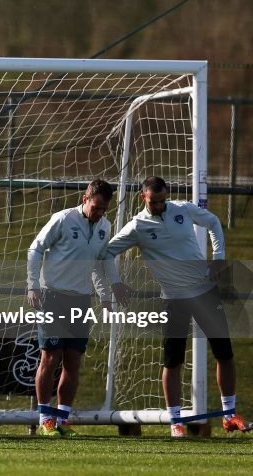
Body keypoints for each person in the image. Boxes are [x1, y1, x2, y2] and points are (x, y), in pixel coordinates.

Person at [103, 176, 250, 438]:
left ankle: (229, 416)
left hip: (205, 292)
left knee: (224, 353)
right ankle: (176, 421)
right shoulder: (137, 226)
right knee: (173, 360)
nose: (159, 205)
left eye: (162, 200)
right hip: (173, 299)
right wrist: (115, 283)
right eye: (153, 201)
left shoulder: (182, 209)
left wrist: (217, 258)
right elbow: (106, 252)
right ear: (143, 197)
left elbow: (213, 222)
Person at [27, 179, 131, 437]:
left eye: (103, 210)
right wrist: (32, 286)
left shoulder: (104, 227)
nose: (99, 214)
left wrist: (107, 293)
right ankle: (45, 418)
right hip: (52, 296)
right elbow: (35, 249)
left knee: (73, 360)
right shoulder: (62, 219)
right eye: (95, 207)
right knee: (50, 358)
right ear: (85, 199)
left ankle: (62, 419)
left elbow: (99, 263)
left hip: (81, 300)